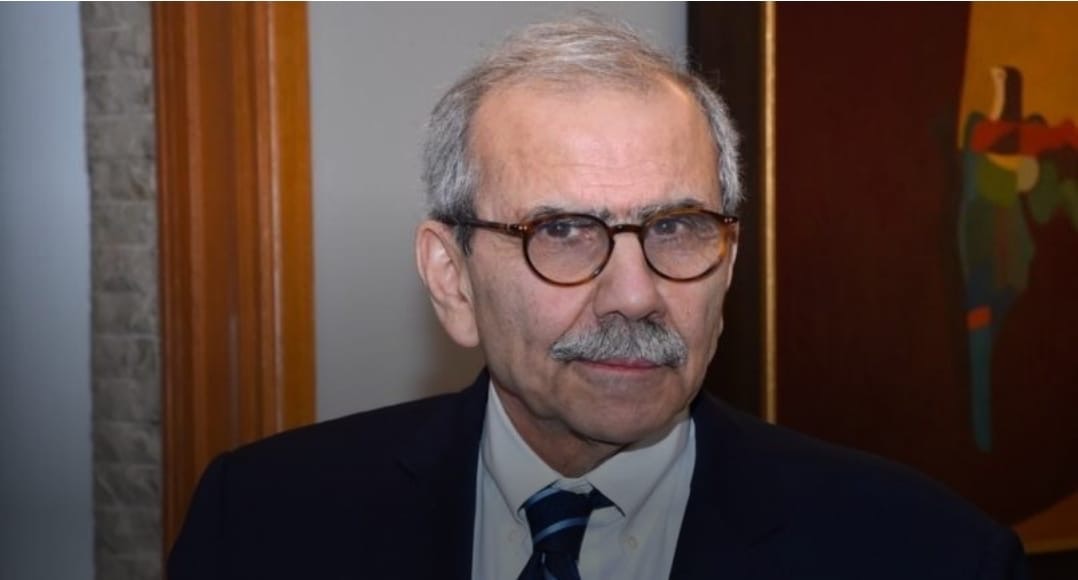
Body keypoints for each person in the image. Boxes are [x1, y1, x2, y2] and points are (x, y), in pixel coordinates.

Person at [168, 16, 1028, 580]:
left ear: (728, 266)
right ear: (452, 278)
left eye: (678, 227)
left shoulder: (930, 557)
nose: (636, 295)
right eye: (564, 231)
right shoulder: (265, 523)